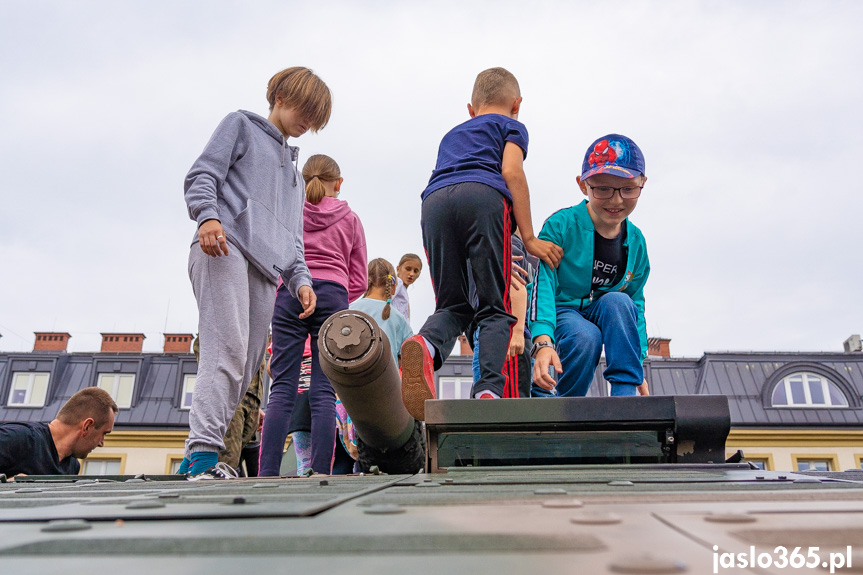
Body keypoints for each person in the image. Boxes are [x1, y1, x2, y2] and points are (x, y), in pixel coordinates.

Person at [181, 67, 331, 479]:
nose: (309, 122)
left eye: (316, 118)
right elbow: (201, 175)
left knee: (247, 368)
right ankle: (205, 455)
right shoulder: (241, 125)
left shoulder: (297, 181)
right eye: (306, 109)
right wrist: (208, 217)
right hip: (224, 246)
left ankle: (193, 459)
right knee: (225, 351)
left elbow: (294, 240)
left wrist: (302, 281)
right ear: (281, 96)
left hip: (266, 272)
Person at [400, 67, 563, 420]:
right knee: (494, 305)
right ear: (516, 104)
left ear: (471, 109)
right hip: (484, 198)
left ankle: (424, 344)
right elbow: (512, 173)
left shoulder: (452, 135)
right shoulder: (512, 127)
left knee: (452, 305)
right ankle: (489, 390)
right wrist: (530, 237)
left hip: (434, 202)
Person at [260, 154, 368, 476]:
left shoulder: (288, 212)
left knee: (282, 388)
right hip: (333, 296)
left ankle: (266, 474)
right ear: (339, 183)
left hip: (290, 291)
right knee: (323, 391)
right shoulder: (350, 219)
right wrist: (334, 298)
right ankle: (321, 473)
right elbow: (360, 278)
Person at [529, 134, 651, 398]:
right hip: (562, 309)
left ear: (642, 183)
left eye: (628, 189)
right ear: (583, 185)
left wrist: (637, 365)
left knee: (619, 302)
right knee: (586, 336)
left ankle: (624, 393)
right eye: (603, 189)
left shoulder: (637, 243)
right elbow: (543, 285)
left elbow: (635, 304)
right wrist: (542, 341)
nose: (616, 200)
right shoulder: (561, 226)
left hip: (601, 309)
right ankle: (557, 399)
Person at [469, 231, 538, 398]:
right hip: (510, 332)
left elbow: (516, 287)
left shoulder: (505, 241)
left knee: (500, 408)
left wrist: (517, 332)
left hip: (504, 333)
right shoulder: (525, 253)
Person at [0, 387, 118, 478]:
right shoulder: (18, 438)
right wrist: (7, 485)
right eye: (103, 433)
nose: (101, 443)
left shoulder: (73, 467)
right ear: (87, 426)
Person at [351, 258, 415, 362]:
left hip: (352, 375)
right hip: (387, 375)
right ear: (393, 287)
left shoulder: (349, 309)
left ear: (365, 283)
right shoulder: (399, 318)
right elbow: (411, 354)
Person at [391, 253, 423, 322]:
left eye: (416, 271)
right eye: (408, 269)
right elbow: (384, 302)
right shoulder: (398, 282)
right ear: (398, 269)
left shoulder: (403, 290)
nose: (412, 274)